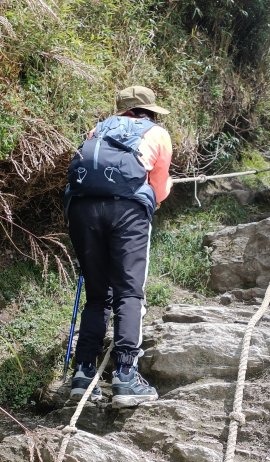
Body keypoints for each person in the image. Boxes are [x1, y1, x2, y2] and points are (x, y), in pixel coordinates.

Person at [65, 85, 172, 408]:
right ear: (150, 111)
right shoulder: (157, 134)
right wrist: (164, 186)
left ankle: (83, 374)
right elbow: (158, 190)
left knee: (98, 294)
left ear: (121, 109)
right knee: (129, 291)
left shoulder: (98, 129)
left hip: (83, 211)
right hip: (126, 213)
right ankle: (125, 376)